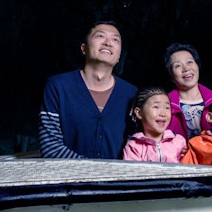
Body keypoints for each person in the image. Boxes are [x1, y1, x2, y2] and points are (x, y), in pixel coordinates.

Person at [38, 21, 137, 159]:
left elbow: (137, 147)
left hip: (118, 180)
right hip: (67, 179)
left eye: (115, 39)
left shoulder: (131, 94)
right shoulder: (58, 86)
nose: (108, 43)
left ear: (119, 56)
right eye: (100, 36)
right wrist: (95, 172)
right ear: (84, 48)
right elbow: (51, 149)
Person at [163, 43, 212, 140]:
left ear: (197, 66)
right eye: (178, 66)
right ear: (171, 75)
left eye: (189, 62)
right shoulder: (165, 107)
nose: (186, 69)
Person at [122, 87, 187, 162]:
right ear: (139, 113)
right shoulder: (134, 145)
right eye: (156, 107)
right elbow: (133, 172)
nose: (163, 114)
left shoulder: (179, 141)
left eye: (167, 108)